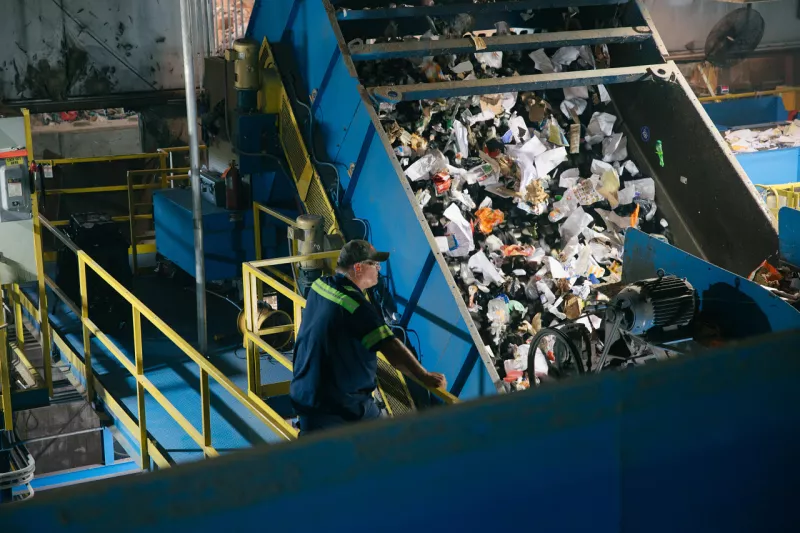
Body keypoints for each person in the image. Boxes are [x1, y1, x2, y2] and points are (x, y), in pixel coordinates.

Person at [290, 239, 447, 435]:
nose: (378, 269)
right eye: (373, 264)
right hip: (340, 407)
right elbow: (392, 349)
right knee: (383, 441)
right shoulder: (357, 307)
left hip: (305, 393)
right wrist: (424, 376)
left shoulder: (320, 285)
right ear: (358, 267)